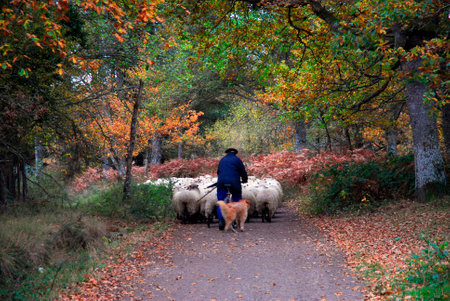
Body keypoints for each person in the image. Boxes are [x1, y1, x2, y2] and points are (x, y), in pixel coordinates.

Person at [216, 148, 248, 230]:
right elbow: (243, 172)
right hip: (234, 183)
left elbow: (218, 172)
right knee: (237, 199)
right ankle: (235, 220)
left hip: (222, 182)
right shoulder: (237, 160)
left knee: (221, 200)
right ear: (235, 153)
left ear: (227, 153)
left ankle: (221, 220)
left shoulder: (222, 160)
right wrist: (245, 180)